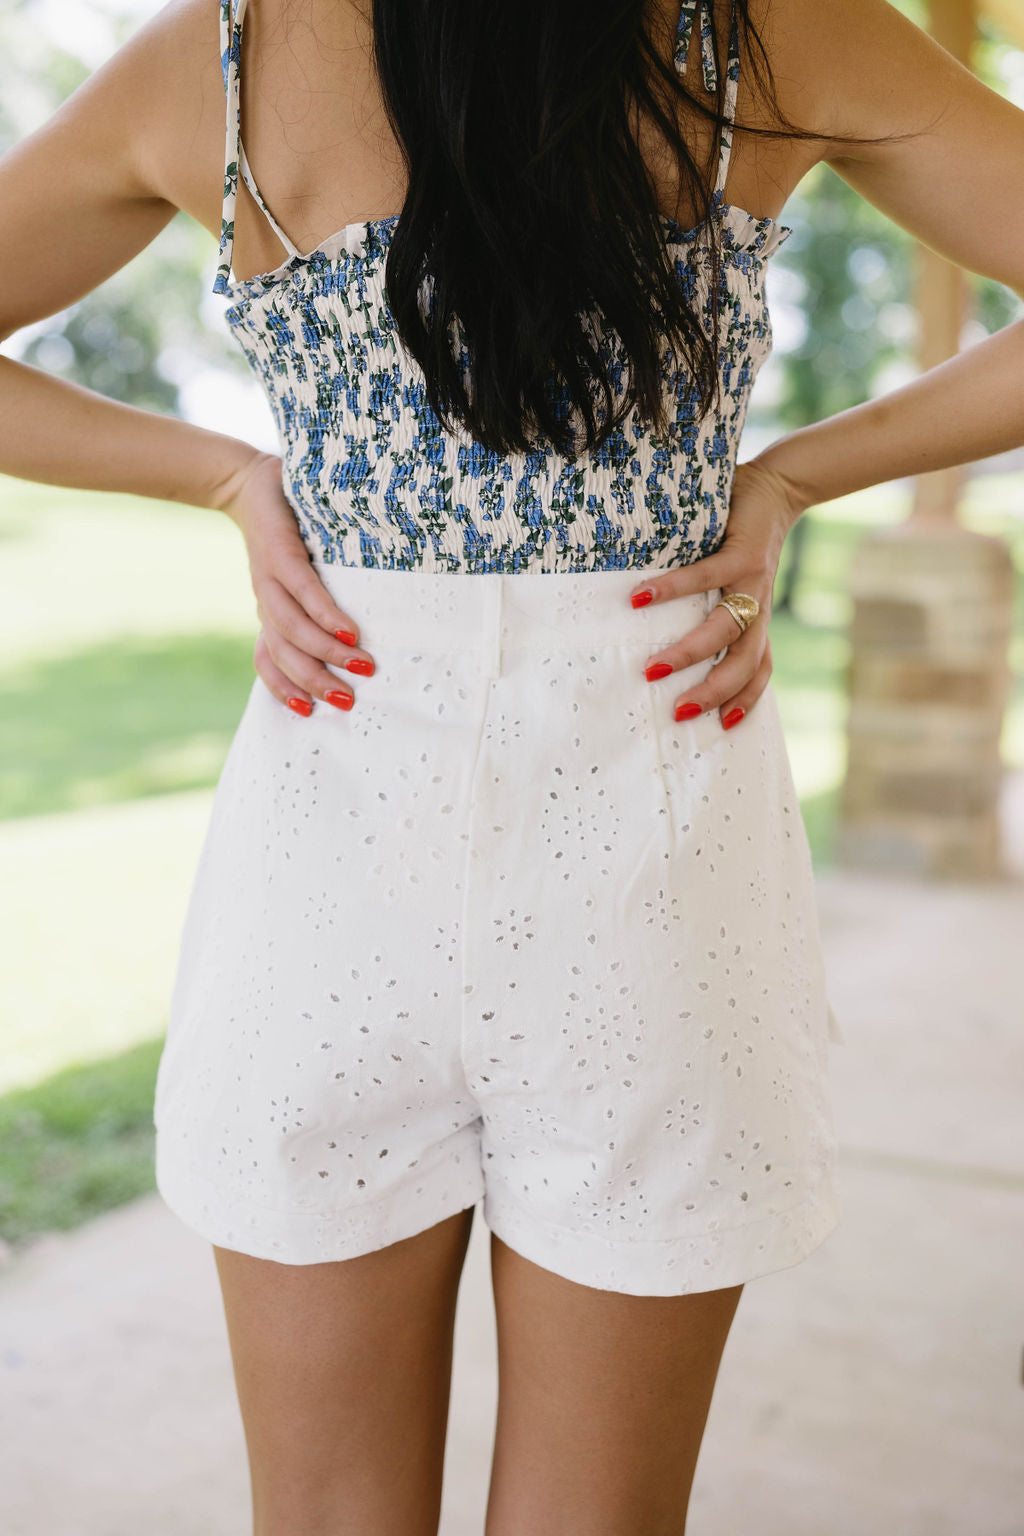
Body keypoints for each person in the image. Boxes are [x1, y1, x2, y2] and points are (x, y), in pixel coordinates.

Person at [2, 0, 1022, 1530]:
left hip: (333, 856)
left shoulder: (226, 53)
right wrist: (797, 473)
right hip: (653, 854)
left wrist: (226, 476)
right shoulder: (765, 39)